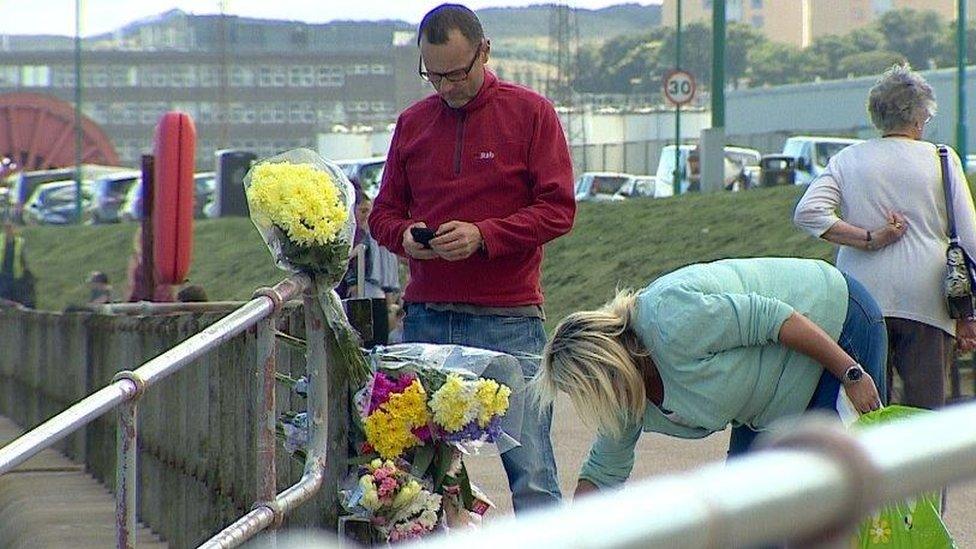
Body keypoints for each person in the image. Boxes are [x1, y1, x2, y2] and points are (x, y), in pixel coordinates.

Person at [368, 4, 576, 511]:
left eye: (457, 73)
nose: (445, 87)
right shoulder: (412, 124)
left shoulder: (532, 114)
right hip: (426, 319)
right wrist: (407, 237)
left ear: (484, 52)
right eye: (432, 74)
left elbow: (559, 210)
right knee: (408, 476)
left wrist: (484, 235)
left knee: (531, 473)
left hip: (509, 319)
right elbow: (382, 215)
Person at [533, 258, 887, 494]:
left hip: (836, 324)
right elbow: (603, 472)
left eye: (589, 389)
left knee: (836, 501)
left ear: (607, 366)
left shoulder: (670, 318)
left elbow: (774, 319)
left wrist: (851, 373)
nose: (595, 401)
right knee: (748, 519)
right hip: (771, 397)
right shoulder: (625, 394)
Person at [794, 64, 976, 410]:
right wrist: (970, 315)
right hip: (928, 302)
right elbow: (970, 240)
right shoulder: (941, 159)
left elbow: (808, 212)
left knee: (866, 406)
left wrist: (868, 238)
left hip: (862, 299)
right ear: (920, 118)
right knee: (926, 410)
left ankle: (868, 464)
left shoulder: (848, 159)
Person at [343, 193, 401, 301]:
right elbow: (354, 255)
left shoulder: (372, 232)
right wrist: (352, 281)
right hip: (355, 284)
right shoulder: (350, 232)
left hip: (374, 283)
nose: (367, 215)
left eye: (369, 211)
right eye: (363, 211)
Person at [0, 222, 35, 308]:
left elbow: (23, 259)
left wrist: (27, 271)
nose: (9, 230)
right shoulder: (0, 240)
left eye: (10, 228)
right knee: (3, 297)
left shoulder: (20, 242)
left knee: (14, 298)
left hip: (15, 276)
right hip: (2, 275)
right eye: (7, 228)